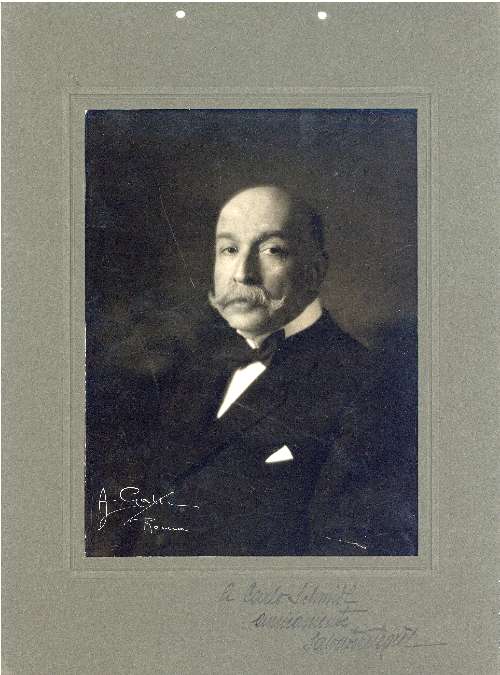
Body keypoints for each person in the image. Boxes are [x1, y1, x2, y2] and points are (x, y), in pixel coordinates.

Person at [86, 185, 417, 556]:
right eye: (229, 249)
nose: (242, 274)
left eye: (272, 250)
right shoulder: (201, 367)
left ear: (315, 270)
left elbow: (349, 556)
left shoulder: (368, 385)